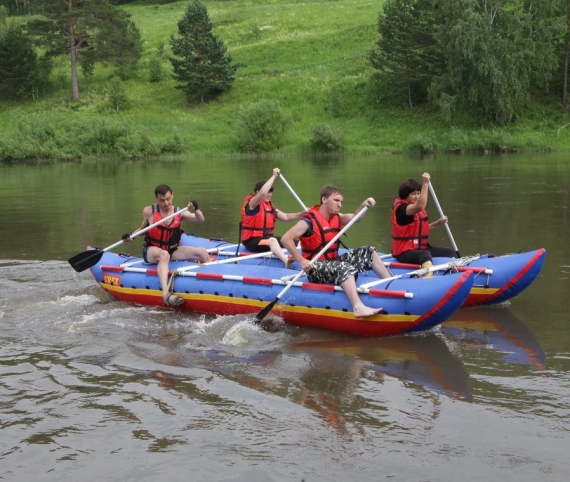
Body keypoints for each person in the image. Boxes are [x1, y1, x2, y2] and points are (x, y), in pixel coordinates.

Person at [281, 184, 391, 318]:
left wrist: (364, 206)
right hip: (315, 268)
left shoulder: (337, 217)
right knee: (344, 266)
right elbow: (286, 238)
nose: (340, 205)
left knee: (369, 251)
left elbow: (356, 218)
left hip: (332, 261)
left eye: (341, 202)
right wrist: (301, 260)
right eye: (336, 200)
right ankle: (358, 307)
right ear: (324, 199)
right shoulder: (308, 221)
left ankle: (389, 284)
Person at [123, 184, 210, 306]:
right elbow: (143, 229)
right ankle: (165, 294)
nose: (166, 203)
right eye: (162, 200)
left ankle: (208, 283)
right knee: (164, 255)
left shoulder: (179, 212)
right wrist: (131, 236)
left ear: (172, 196)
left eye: (168, 199)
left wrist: (196, 209)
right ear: (156, 198)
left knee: (202, 252)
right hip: (152, 250)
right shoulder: (149, 211)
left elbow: (200, 219)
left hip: (172, 249)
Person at [391, 172, 457, 277]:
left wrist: (437, 223)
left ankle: (458, 273)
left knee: (451, 253)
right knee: (425, 254)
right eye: (413, 194)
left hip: (420, 248)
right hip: (404, 252)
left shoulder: (413, 208)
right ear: (405, 195)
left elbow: (419, 231)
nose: (417, 196)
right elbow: (421, 206)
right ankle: (428, 278)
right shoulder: (403, 209)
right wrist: (425, 183)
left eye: (418, 193)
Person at [241, 167, 305, 267]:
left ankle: (306, 259)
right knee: (272, 240)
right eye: (267, 191)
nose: (268, 194)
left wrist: (301, 213)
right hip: (252, 242)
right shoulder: (252, 204)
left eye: (270, 192)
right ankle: (286, 261)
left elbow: (286, 217)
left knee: (296, 241)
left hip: (266, 239)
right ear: (257, 192)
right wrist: (274, 176)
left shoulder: (270, 206)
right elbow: (262, 193)